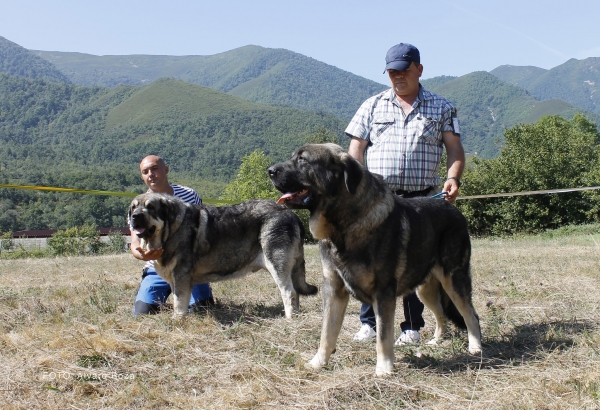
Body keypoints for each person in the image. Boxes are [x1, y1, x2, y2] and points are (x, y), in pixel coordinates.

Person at [345, 43, 465, 345]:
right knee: (371, 260)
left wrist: (453, 178)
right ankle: (369, 323)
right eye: (392, 72)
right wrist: (357, 186)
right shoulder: (372, 105)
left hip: (421, 201)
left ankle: (411, 327)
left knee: (413, 262)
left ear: (419, 69)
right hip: (378, 201)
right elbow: (355, 148)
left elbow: (454, 148)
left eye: (404, 70)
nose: (398, 76)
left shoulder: (442, 107)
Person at [130, 155, 215, 315]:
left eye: (154, 169)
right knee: (142, 313)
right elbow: (134, 242)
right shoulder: (137, 206)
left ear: (166, 170)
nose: (150, 174)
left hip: (190, 268)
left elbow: (203, 229)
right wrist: (143, 255)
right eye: (145, 171)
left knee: (203, 311)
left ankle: (197, 294)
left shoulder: (189, 195)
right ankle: (150, 293)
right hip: (156, 270)